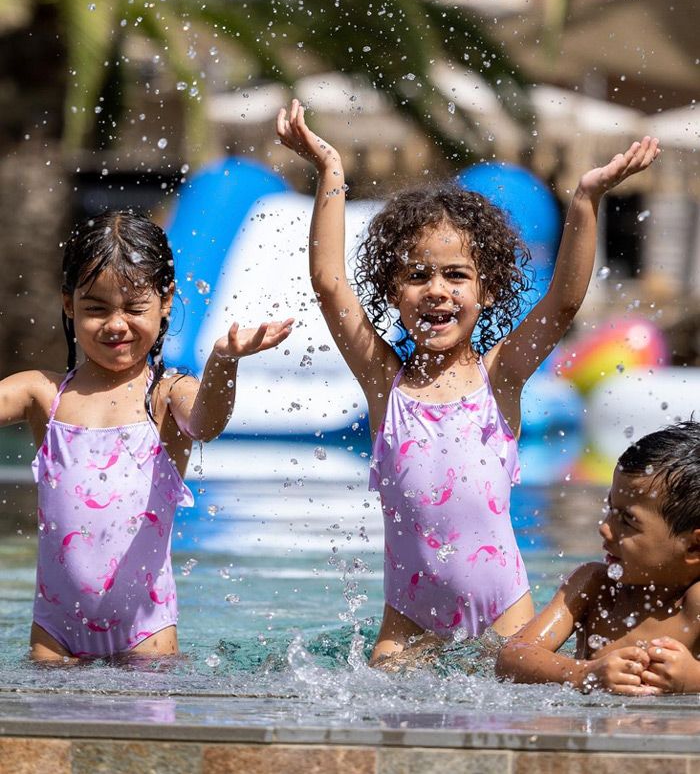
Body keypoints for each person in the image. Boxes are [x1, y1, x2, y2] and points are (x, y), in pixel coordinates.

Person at [277, 98, 659, 663]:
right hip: (406, 624)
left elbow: (563, 302)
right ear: (392, 292)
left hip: (506, 616)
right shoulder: (385, 383)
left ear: (485, 293)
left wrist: (585, 200)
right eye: (418, 275)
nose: (437, 290)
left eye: (457, 276)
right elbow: (330, 284)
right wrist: (330, 169)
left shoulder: (499, 377)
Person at [0, 211, 293, 662]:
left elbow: (208, 423)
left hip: (146, 633)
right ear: (68, 304)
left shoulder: (166, 396)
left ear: (165, 302)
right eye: (96, 308)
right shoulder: (44, 395)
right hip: (55, 634)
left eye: (134, 308)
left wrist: (224, 360)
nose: (116, 324)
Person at [496, 421, 700, 695]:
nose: (604, 527)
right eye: (610, 510)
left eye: (627, 521)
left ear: (694, 547)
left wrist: (693, 679)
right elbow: (512, 658)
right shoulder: (594, 586)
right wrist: (585, 674)